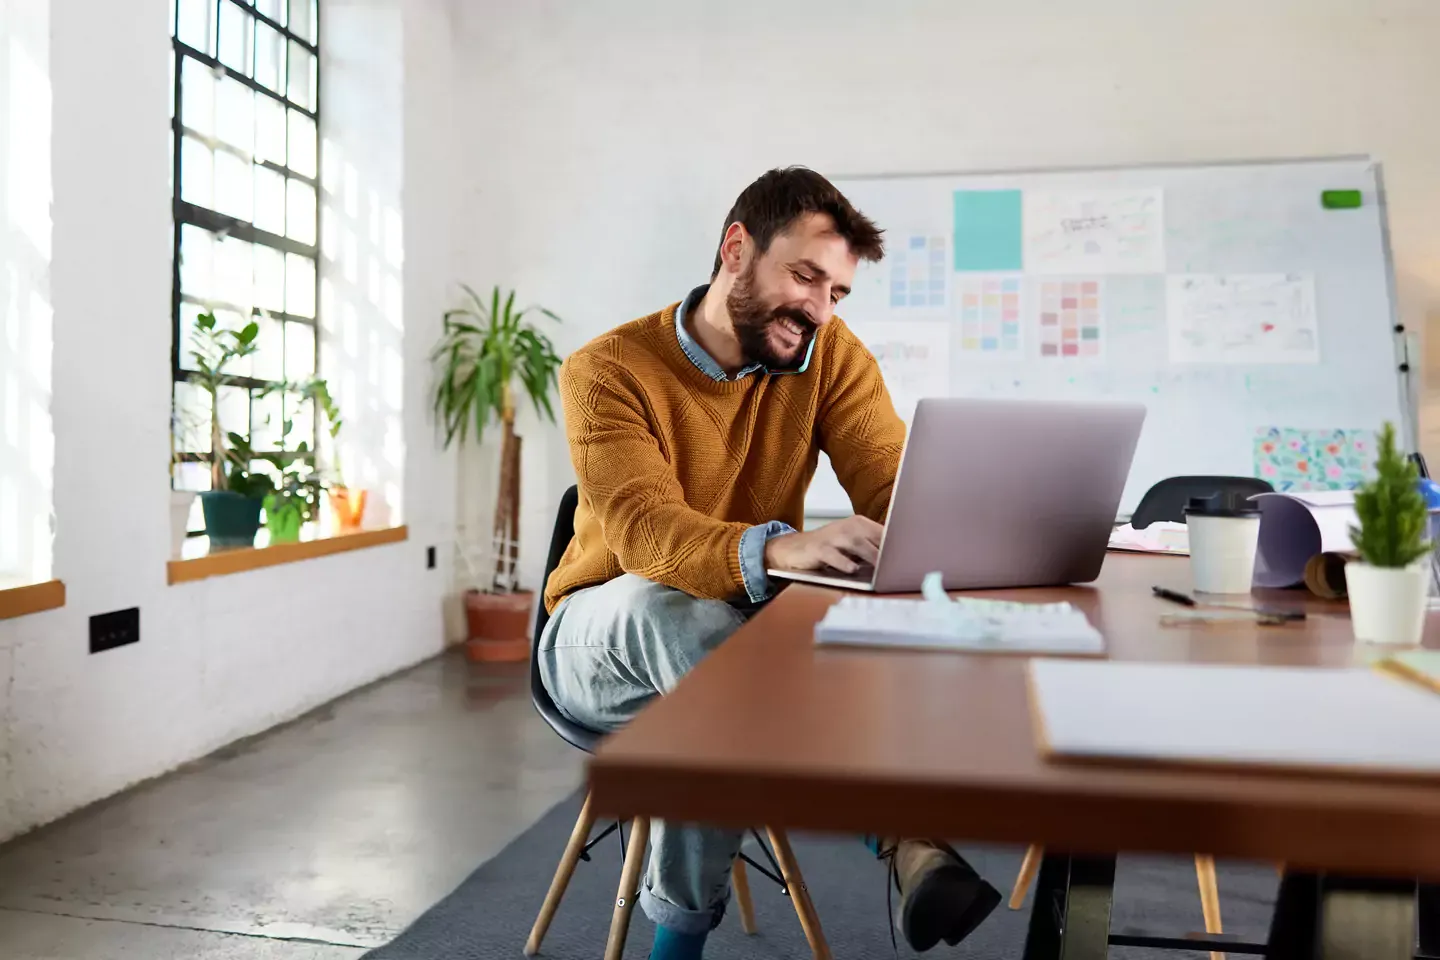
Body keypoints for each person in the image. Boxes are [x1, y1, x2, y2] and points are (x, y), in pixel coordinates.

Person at [538, 167, 1000, 959]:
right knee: (670, 611)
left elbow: (890, 479)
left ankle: (674, 947)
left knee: (706, 711)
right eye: (805, 275)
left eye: (839, 293)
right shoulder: (607, 370)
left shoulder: (827, 355)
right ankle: (902, 835)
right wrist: (781, 544)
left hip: (724, 650)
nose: (819, 309)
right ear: (735, 250)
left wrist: (963, 527)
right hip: (598, 636)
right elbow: (647, 535)